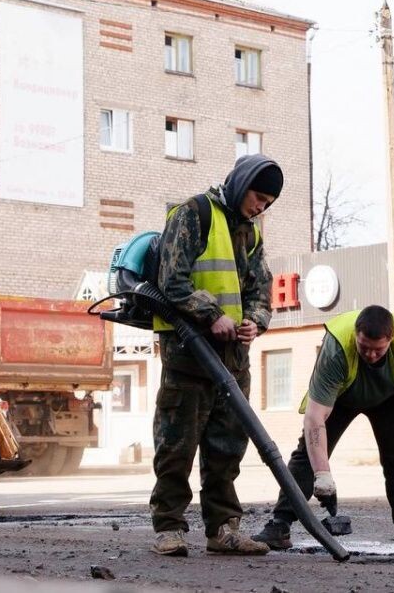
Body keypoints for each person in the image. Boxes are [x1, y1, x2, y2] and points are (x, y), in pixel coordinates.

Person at [148, 154, 282, 557]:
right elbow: (171, 281)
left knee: (227, 449)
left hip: (233, 360)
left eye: (267, 204)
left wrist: (255, 321)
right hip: (189, 356)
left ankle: (224, 529)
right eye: (258, 198)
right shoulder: (193, 214)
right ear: (241, 184)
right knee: (176, 446)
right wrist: (213, 315)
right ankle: (169, 529)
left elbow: (262, 290)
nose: (261, 208)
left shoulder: (251, 233)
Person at [253, 305, 394, 555]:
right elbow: (315, 417)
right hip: (343, 395)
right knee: (305, 458)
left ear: (392, 338)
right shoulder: (336, 349)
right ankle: (280, 525)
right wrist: (322, 474)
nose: (370, 355)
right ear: (356, 334)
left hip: (390, 396)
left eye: (378, 349)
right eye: (364, 347)